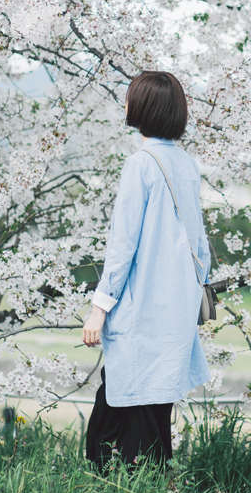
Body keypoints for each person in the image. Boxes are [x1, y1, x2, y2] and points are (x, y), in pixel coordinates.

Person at [81, 71, 211, 468]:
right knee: (155, 417)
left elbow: (123, 246)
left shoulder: (141, 164)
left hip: (141, 312)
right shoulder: (186, 164)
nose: (125, 103)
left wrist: (99, 307)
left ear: (142, 108)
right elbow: (201, 246)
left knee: (115, 424)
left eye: (129, 97)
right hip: (175, 313)